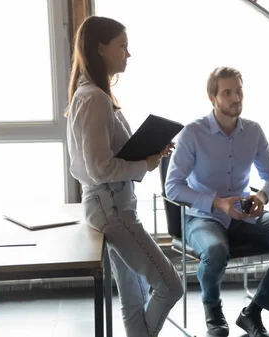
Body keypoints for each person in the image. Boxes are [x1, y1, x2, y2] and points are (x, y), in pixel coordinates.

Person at [165, 66, 269, 337]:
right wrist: (217, 203)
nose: (236, 98)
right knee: (216, 251)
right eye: (227, 93)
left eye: (239, 91)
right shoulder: (193, 133)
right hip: (203, 217)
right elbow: (172, 187)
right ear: (212, 98)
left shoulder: (253, 131)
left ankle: (253, 311)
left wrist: (261, 195)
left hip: (244, 214)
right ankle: (213, 309)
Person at [65, 16, 183, 337]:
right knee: (170, 286)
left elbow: (109, 159)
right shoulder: (93, 99)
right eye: (123, 46)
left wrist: (151, 155)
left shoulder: (97, 96)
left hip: (114, 206)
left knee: (133, 296)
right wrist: (144, 163)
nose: (128, 54)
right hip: (111, 210)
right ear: (100, 48)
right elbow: (99, 168)